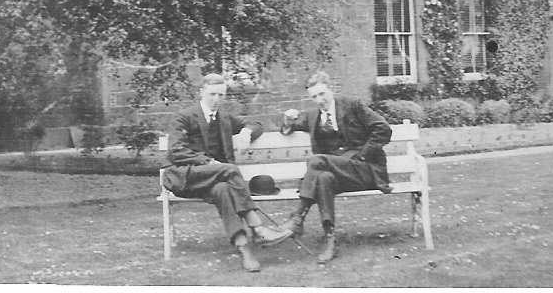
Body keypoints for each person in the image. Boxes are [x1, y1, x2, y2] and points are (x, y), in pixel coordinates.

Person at [162, 73, 292, 272]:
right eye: (212, 94)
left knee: (223, 189)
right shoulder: (184, 117)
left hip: (215, 181)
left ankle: (244, 249)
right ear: (201, 93)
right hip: (188, 178)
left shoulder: (224, 118)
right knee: (230, 169)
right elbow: (176, 150)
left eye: (221, 95)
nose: (216, 99)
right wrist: (208, 161)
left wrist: (247, 132)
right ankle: (257, 228)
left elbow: (256, 124)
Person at [279, 71, 392, 264]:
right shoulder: (313, 116)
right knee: (323, 178)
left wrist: (363, 154)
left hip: (364, 170)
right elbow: (288, 128)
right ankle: (330, 240)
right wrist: (287, 121)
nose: (319, 100)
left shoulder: (353, 105)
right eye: (314, 97)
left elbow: (383, 129)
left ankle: (298, 216)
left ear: (331, 89)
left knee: (315, 161)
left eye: (322, 94)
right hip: (339, 176)